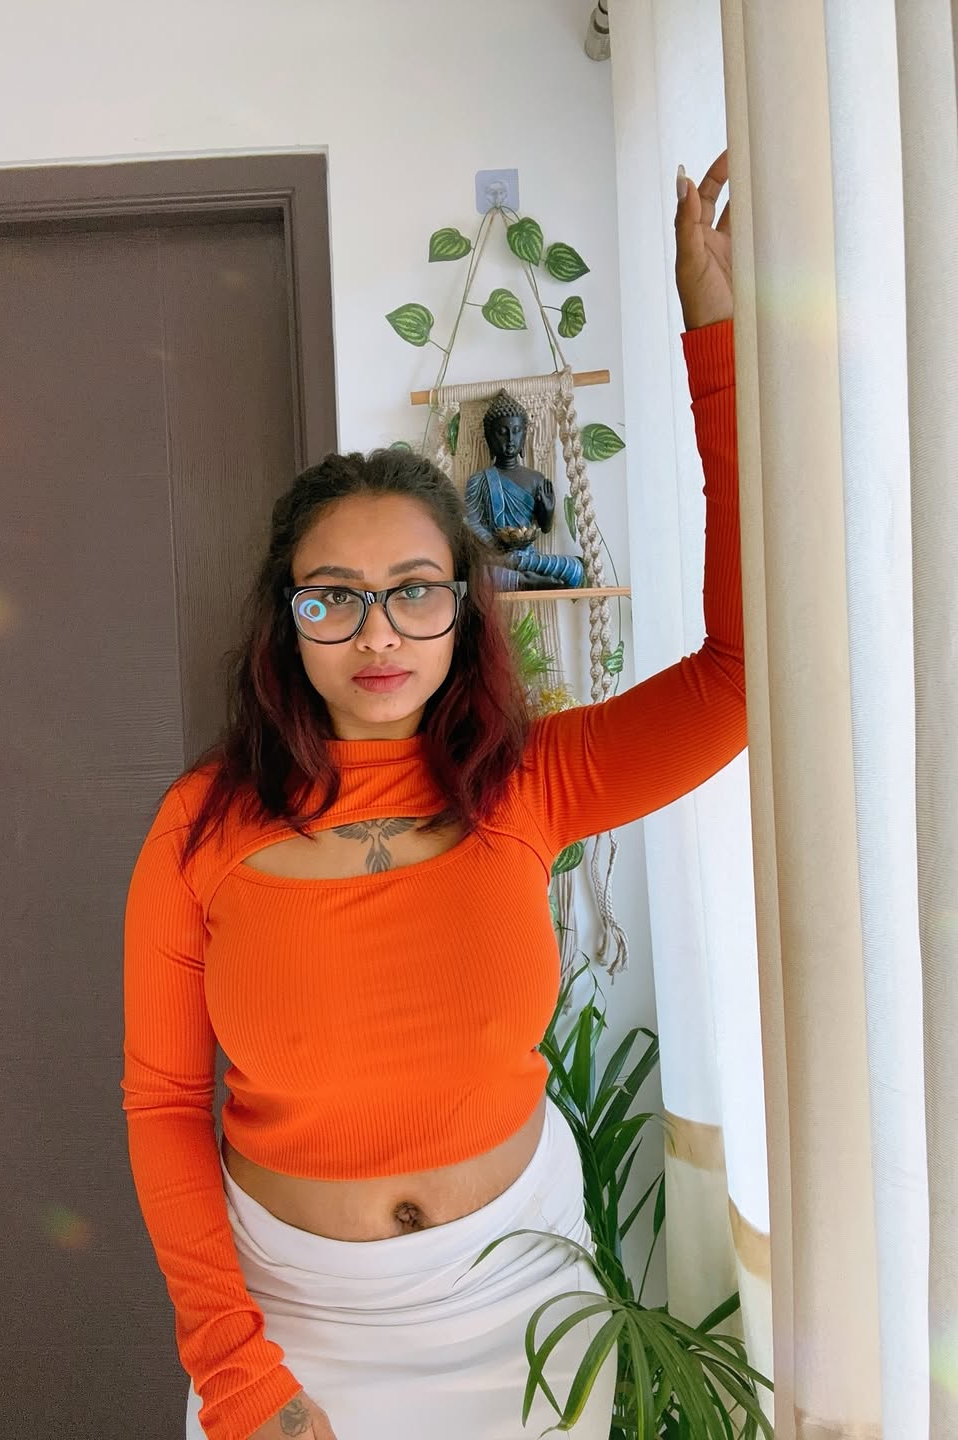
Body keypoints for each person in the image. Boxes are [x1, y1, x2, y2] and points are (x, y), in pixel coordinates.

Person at [122, 152, 739, 1440]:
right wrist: (237, 1371)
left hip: (522, 1305)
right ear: (285, 619)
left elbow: (743, 676)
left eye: (414, 591)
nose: (377, 631)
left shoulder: (532, 781)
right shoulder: (199, 828)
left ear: (464, 609)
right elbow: (167, 1106)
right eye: (333, 598)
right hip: (294, 1322)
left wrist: (718, 339)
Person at [464, 389, 586, 590]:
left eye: (516, 431)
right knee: (473, 575)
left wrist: (547, 511)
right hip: (496, 557)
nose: (510, 439)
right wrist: (496, 549)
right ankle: (526, 581)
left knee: (575, 568)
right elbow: (472, 523)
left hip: (529, 557)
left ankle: (522, 579)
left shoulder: (536, 479)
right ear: (489, 438)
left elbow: (545, 528)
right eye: (502, 432)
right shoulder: (479, 480)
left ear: (524, 434)